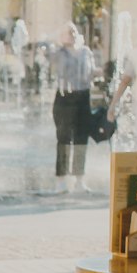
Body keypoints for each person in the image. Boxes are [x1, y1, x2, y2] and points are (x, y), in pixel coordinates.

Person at [50, 21, 97, 194]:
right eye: (66, 32)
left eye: (72, 31)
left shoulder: (86, 52)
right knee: (63, 139)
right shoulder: (57, 52)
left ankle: (79, 179)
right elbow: (49, 62)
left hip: (83, 95)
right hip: (64, 96)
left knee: (81, 138)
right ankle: (61, 180)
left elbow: (91, 73)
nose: (70, 35)